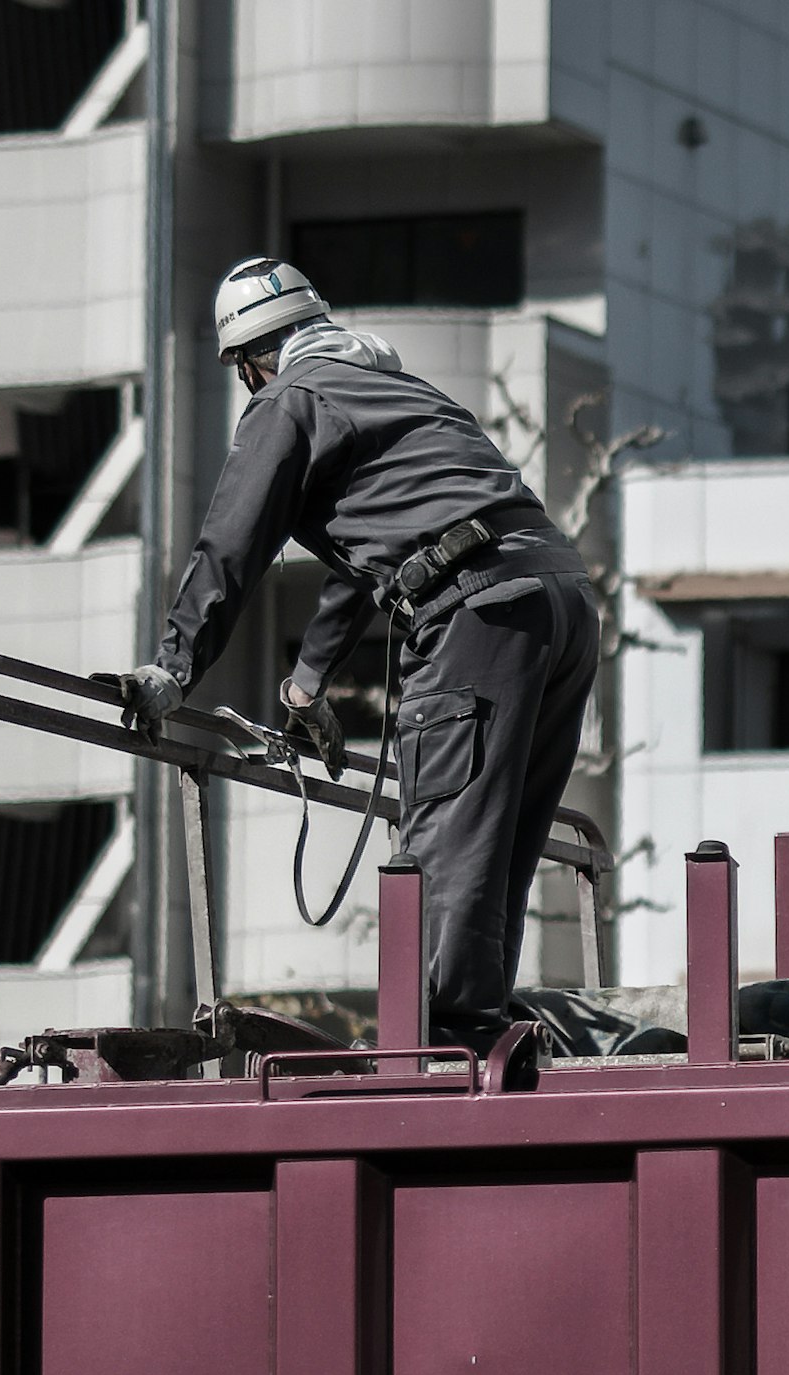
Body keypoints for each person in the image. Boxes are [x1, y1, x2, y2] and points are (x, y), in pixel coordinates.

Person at [119, 257, 599, 1045]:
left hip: (478, 613)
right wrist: (307, 687)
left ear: (252, 358)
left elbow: (231, 545)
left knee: (448, 832)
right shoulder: (404, 396)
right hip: (560, 598)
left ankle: (444, 1044)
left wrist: (173, 668)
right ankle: (482, 1026)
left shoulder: (289, 399)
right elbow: (371, 567)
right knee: (500, 831)